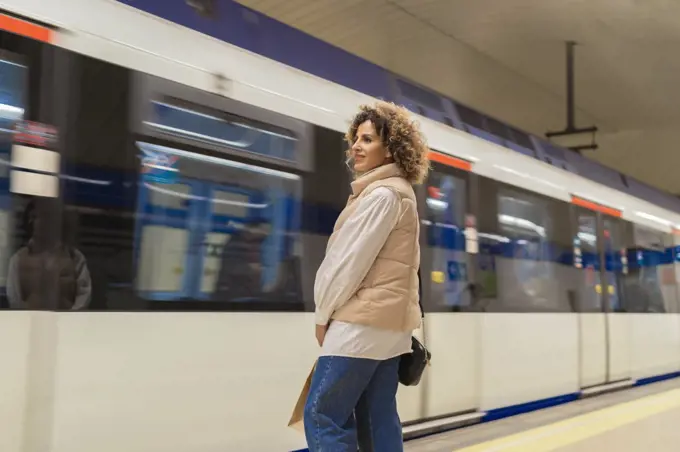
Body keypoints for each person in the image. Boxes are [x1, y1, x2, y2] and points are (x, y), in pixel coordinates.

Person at [304, 101, 429, 451]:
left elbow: (346, 265)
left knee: (321, 414)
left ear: (391, 148)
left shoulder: (382, 195)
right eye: (355, 138)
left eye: (368, 139)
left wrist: (322, 314)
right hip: (389, 327)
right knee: (376, 420)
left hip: (362, 324)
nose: (356, 146)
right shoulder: (399, 193)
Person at [7, 199, 91, 310]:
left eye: (36, 217)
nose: (31, 222)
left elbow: (84, 295)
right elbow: (14, 299)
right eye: (30, 217)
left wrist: (71, 320)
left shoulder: (75, 257)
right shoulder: (17, 259)